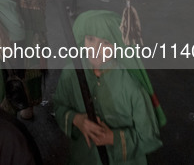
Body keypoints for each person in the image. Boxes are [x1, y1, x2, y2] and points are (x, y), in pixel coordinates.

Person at [53, 10, 165, 165]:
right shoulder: (70, 74)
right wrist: (76, 119)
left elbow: (149, 137)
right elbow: (58, 107)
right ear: (82, 40)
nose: (96, 49)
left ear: (117, 44)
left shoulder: (131, 87)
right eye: (90, 39)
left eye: (105, 42)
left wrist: (113, 137)